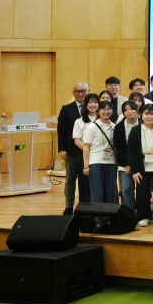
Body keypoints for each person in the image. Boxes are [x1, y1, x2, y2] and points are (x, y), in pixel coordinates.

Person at [129, 104, 153, 226]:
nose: (149, 117)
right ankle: (143, 215)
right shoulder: (136, 130)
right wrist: (135, 170)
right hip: (142, 168)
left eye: (152, 114)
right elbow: (131, 152)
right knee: (142, 192)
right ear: (141, 115)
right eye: (146, 114)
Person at [57, 82, 90, 213]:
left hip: (88, 152)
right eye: (77, 91)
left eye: (83, 91)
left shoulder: (93, 108)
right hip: (71, 151)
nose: (81, 94)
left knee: (85, 180)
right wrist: (62, 149)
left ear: (88, 92)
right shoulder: (66, 109)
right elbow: (62, 130)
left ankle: (84, 206)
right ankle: (69, 207)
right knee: (70, 180)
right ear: (73, 93)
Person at [81, 100, 118, 204]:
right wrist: (86, 166)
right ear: (98, 111)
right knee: (97, 192)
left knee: (111, 193)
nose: (106, 111)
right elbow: (86, 147)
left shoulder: (114, 127)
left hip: (111, 162)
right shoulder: (91, 127)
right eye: (103, 109)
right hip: (96, 162)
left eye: (109, 109)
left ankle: (111, 213)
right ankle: (98, 214)